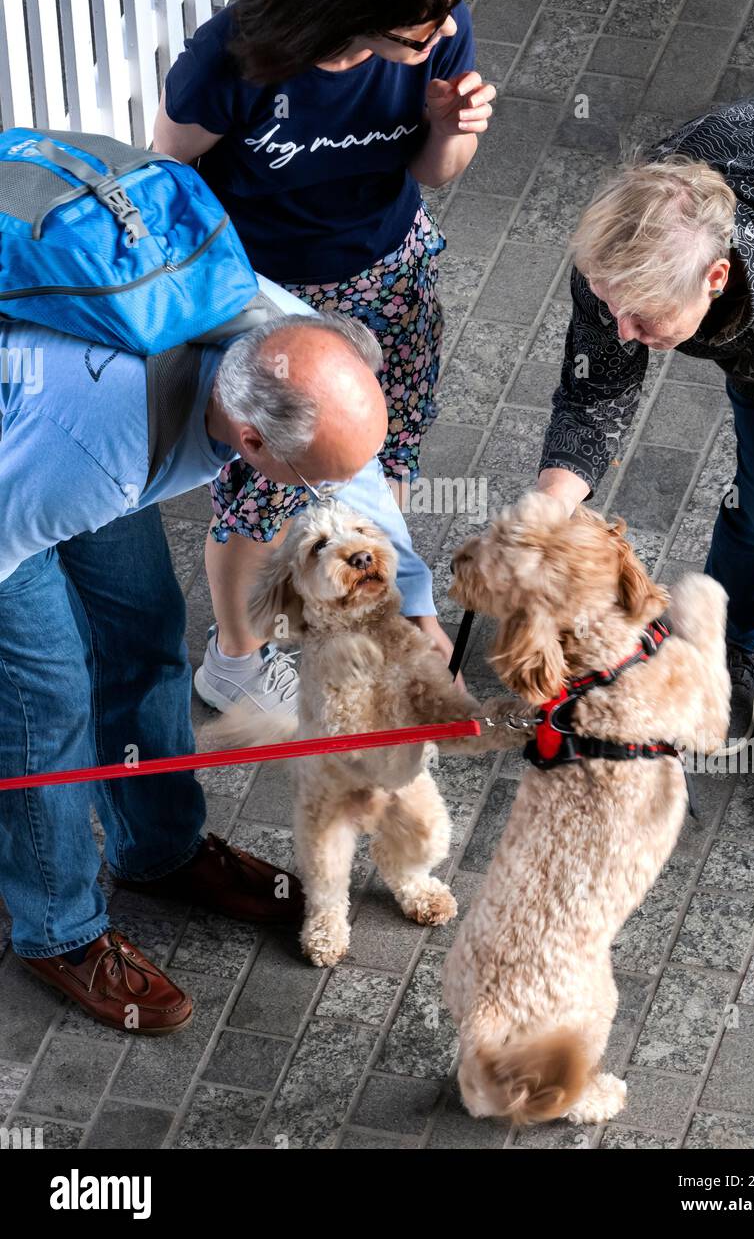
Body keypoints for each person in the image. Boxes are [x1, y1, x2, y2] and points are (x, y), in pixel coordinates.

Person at [0, 298, 433, 1031]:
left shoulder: (282, 336)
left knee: (143, 626)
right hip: (30, 470)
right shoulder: (97, 462)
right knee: (45, 697)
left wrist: (418, 611)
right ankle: (57, 927)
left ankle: (159, 850)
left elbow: (350, 476)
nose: (316, 499)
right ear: (250, 440)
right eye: (305, 483)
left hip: (86, 412)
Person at [152, 0, 494, 717]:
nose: (445, 31)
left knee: (386, 450)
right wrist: (222, 306)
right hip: (274, 299)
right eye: (423, 27)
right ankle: (234, 659)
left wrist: (452, 131)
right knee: (262, 489)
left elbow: (431, 176)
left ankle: (367, 618)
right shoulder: (234, 58)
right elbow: (169, 177)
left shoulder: (433, 37)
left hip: (391, 271)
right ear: (350, 14)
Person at [535, 91, 754, 836]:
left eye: (643, 319)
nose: (622, 329)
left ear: (716, 279)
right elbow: (595, 394)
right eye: (610, 307)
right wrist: (550, 508)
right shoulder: (622, 253)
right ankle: (727, 659)